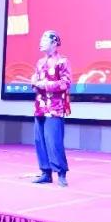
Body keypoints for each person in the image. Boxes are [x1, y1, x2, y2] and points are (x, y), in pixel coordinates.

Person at [31, 30, 72, 186]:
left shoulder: (62, 61)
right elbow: (36, 83)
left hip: (55, 108)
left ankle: (61, 173)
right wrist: (34, 83)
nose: (41, 42)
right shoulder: (40, 63)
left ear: (54, 43)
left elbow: (66, 83)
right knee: (40, 140)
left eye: (44, 39)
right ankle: (45, 172)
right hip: (40, 106)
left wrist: (46, 85)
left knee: (54, 141)